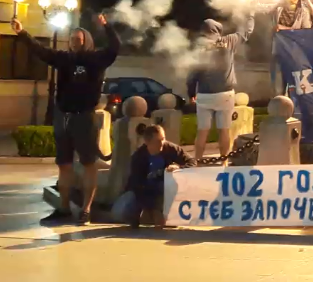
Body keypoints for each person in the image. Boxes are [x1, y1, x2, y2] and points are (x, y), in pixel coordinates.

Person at [12, 13, 119, 225]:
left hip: (84, 117)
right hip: (63, 116)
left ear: (86, 41)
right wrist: (21, 33)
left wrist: (107, 26)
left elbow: (115, 47)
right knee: (64, 165)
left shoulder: (96, 59)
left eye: (78, 40)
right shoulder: (64, 59)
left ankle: (86, 209)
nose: (74, 43)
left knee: (89, 163)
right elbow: (40, 51)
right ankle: (63, 208)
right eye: (71, 40)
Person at [187, 13, 255, 161]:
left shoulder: (199, 48)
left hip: (204, 95)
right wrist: (250, 16)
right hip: (225, 94)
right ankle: (224, 161)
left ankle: (197, 161)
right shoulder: (228, 41)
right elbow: (246, 33)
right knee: (224, 130)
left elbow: (193, 73)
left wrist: (191, 92)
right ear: (218, 31)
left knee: (202, 131)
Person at [124, 124, 194, 228]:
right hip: (144, 189)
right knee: (121, 212)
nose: (162, 143)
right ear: (148, 142)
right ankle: (145, 215)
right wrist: (151, 208)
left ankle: (167, 216)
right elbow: (137, 185)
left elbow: (191, 161)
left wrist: (178, 167)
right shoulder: (138, 157)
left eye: (163, 138)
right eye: (158, 141)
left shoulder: (170, 148)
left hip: (165, 188)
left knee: (167, 186)